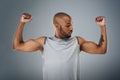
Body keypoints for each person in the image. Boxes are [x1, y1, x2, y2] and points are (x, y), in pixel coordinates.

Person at [13, 12, 107, 80]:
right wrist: (22, 23)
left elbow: (101, 50)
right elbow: (17, 46)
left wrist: (102, 26)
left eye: (72, 25)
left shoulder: (77, 42)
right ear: (57, 26)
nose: (71, 28)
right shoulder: (44, 42)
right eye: (68, 25)